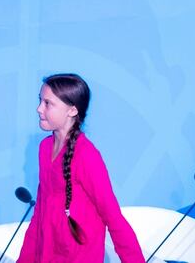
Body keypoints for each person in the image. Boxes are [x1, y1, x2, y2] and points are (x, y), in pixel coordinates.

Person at [17, 74, 145, 263]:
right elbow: (40, 214)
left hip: (77, 256)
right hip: (46, 252)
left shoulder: (87, 156)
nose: (38, 109)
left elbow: (113, 217)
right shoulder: (44, 148)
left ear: (72, 110)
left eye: (47, 103)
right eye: (40, 101)